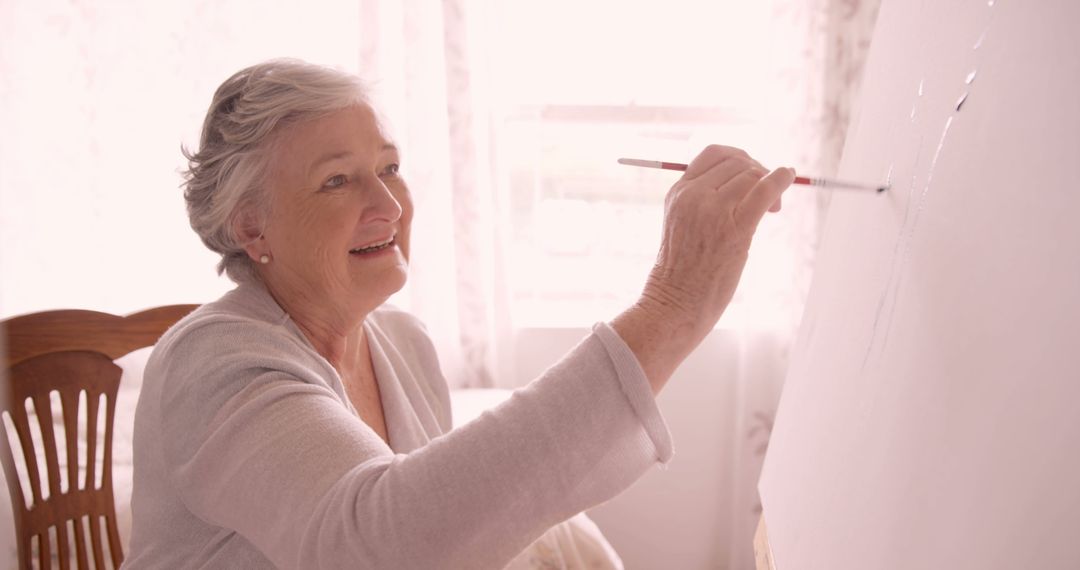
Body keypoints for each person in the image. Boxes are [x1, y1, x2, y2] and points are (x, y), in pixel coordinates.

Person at [124, 58, 794, 569]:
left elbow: (456, 534)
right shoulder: (210, 362)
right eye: (337, 179)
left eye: (388, 167)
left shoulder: (403, 345)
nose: (387, 204)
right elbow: (379, 543)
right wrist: (670, 306)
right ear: (253, 230)